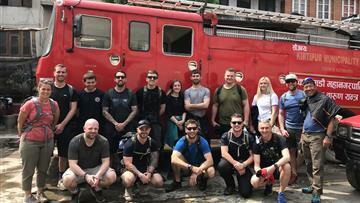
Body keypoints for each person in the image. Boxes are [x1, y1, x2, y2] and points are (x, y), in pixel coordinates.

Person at [17, 79, 60, 203]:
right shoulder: (30, 104)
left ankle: (40, 193)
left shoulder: (54, 104)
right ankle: (28, 195)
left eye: (48, 89)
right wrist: (22, 135)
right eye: (43, 89)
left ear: (51, 91)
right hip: (30, 141)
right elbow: (20, 121)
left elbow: (55, 120)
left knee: (43, 168)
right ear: (38, 89)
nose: (46, 91)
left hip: (47, 141)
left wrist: (49, 131)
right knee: (28, 169)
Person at [301, 77, 340, 203]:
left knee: (317, 165)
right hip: (305, 135)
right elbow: (307, 117)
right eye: (306, 87)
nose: (308, 89)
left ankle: (317, 192)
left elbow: (332, 119)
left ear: (315, 86)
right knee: (308, 163)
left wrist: (328, 137)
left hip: (318, 136)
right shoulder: (307, 100)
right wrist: (302, 133)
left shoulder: (324, 99)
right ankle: (312, 185)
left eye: (310, 86)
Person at [62, 119, 116, 203]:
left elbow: (106, 162)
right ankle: (75, 192)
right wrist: (86, 176)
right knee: (67, 180)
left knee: (112, 176)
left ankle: (96, 188)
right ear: (84, 129)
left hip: (95, 168)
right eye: (90, 128)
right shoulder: (75, 141)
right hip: (79, 169)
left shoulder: (103, 141)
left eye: (96, 129)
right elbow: (72, 164)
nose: (93, 131)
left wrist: (98, 176)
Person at [166, 119, 215, 192]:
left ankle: (203, 179)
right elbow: (173, 159)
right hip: (188, 166)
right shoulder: (182, 141)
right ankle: (177, 181)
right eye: (189, 128)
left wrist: (197, 171)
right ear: (185, 130)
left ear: (197, 129)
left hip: (200, 165)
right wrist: (191, 168)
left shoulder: (202, 141)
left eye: (194, 128)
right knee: (175, 158)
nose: (192, 130)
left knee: (211, 172)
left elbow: (210, 161)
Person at [102, 70, 137, 171]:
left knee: (128, 148)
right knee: (109, 149)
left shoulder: (131, 93)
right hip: (111, 127)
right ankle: (109, 170)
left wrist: (124, 124)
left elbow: (134, 110)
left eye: (122, 77)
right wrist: (115, 123)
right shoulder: (108, 93)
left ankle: (126, 169)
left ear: (125, 79)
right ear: (115, 79)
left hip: (127, 126)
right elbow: (104, 111)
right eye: (118, 77)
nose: (120, 79)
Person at [51, 64, 78, 190]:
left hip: (65, 126)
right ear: (54, 73)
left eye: (63, 72)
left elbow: (73, 109)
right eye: (58, 72)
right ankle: (41, 178)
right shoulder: (48, 88)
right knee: (45, 153)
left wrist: (62, 124)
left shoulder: (71, 90)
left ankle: (61, 177)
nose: (60, 74)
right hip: (49, 127)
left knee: (63, 154)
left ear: (66, 74)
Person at [121, 120, 164, 201]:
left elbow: (154, 160)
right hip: (131, 169)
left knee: (159, 182)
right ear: (137, 130)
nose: (144, 131)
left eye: (146, 129)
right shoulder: (130, 143)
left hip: (145, 167)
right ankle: (128, 189)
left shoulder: (152, 142)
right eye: (141, 129)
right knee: (128, 179)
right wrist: (140, 175)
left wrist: (149, 173)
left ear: (150, 130)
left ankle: (142, 186)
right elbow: (128, 164)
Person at [250, 120, 291, 203]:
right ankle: (268, 184)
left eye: (267, 128)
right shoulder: (257, 143)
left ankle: (281, 192)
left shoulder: (279, 139)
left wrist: (273, 167)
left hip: (277, 168)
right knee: (254, 182)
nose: (264, 130)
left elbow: (287, 157)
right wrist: (260, 173)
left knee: (287, 166)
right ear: (258, 129)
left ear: (271, 128)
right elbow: (256, 165)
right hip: (265, 171)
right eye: (262, 128)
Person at [218, 113, 254, 198]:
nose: (236, 124)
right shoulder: (225, 136)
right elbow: (224, 153)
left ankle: (242, 181)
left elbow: (253, 156)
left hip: (244, 164)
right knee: (222, 165)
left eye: (239, 122)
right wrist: (235, 164)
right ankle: (230, 185)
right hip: (231, 163)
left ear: (242, 124)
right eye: (234, 122)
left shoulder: (249, 137)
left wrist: (243, 165)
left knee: (246, 193)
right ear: (230, 124)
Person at [278, 73, 306, 184]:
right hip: (289, 128)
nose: (290, 83)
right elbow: (280, 113)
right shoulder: (284, 97)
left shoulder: (304, 95)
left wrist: (305, 129)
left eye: (292, 81)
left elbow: (308, 113)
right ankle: (293, 173)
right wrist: (282, 128)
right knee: (291, 151)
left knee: (303, 152)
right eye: (288, 82)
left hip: (303, 128)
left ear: (297, 82)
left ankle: (295, 170)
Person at [212, 68, 250, 137]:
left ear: (235, 77)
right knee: (224, 145)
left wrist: (246, 121)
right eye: (228, 76)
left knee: (238, 144)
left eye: (231, 76)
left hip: (237, 123)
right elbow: (215, 105)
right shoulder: (218, 90)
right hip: (223, 123)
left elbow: (246, 105)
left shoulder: (240, 89)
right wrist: (212, 120)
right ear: (224, 76)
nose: (229, 77)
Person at [136, 70, 166, 149]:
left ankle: (155, 161)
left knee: (156, 144)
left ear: (157, 80)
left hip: (156, 122)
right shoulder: (140, 92)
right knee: (141, 142)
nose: (152, 79)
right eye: (150, 77)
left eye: (154, 77)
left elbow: (163, 108)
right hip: (142, 122)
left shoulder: (161, 92)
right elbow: (136, 108)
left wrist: (155, 116)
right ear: (146, 79)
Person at [184, 69, 210, 140]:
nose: (195, 77)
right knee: (190, 140)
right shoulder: (187, 91)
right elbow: (187, 107)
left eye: (197, 76)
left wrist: (191, 105)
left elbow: (206, 105)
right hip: (191, 119)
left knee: (205, 140)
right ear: (191, 78)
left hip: (203, 119)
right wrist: (201, 105)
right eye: (194, 76)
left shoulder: (206, 90)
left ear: (201, 77)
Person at [164, 80, 186, 148]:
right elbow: (168, 112)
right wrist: (177, 123)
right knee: (174, 140)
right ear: (172, 87)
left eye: (178, 85)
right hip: (172, 121)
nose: (177, 87)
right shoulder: (168, 98)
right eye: (175, 85)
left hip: (182, 121)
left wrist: (182, 121)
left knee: (183, 140)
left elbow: (184, 110)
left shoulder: (182, 96)